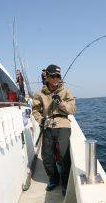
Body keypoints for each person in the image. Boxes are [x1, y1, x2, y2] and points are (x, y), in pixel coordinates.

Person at [32, 64, 76, 195]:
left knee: (64, 156)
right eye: (54, 76)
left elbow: (72, 110)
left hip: (63, 124)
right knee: (46, 156)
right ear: (48, 77)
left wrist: (60, 102)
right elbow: (35, 110)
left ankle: (65, 182)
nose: (56, 78)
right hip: (47, 125)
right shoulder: (40, 94)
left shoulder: (66, 92)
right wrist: (41, 120)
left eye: (58, 76)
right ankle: (54, 179)